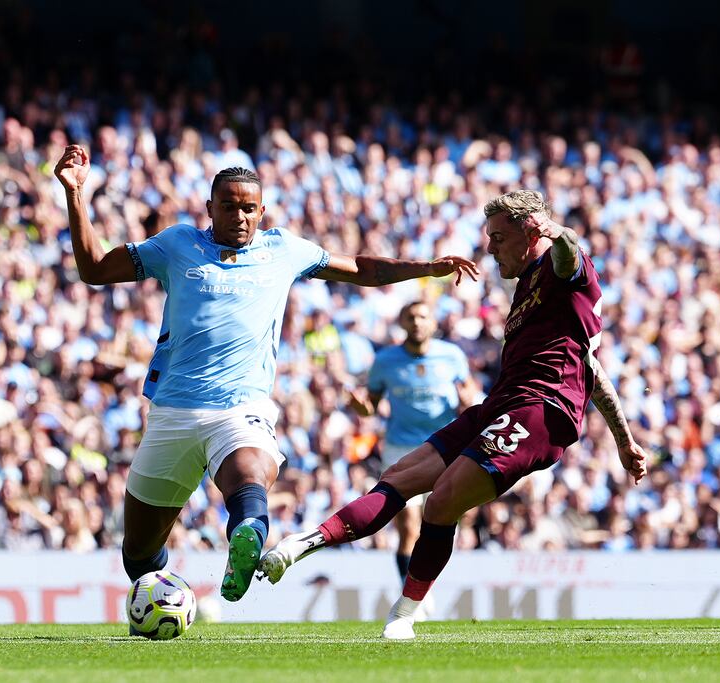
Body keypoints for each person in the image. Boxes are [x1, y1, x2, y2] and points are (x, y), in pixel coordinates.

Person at [52, 145, 478, 607]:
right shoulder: (176, 245)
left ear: (262, 211)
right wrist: (76, 194)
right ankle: (165, 601)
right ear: (210, 208)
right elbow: (94, 268)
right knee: (137, 553)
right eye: (229, 206)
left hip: (241, 409)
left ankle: (248, 536)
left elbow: (359, 268)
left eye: (249, 208)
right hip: (173, 411)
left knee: (249, 477)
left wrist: (425, 269)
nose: (240, 216)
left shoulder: (284, 250)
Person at [258, 190, 648, 638]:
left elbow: (569, 253)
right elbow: (591, 368)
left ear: (531, 231)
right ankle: (302, 544)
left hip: (541, 409)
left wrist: (560, 232)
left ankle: (404, 615)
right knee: (399, 477)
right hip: (501, 403)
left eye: (499, 238)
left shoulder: (566, 272)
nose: (489, 248)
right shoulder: (527, 289)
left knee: (441, 501)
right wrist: (624, 439)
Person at [347, 301, 475, 591]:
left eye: (423, 316)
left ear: (433, 323)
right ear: (402, 323)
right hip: (400, 449)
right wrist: (360, 407)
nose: (417, 322)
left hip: (445, 446)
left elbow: (467, 397)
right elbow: (371, 407)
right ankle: (413, 594)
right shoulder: (385, 360)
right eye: (411, 317)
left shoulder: (451, 356)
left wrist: (468, 402)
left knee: (442, 519)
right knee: (408, 527)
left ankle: (425, 583)